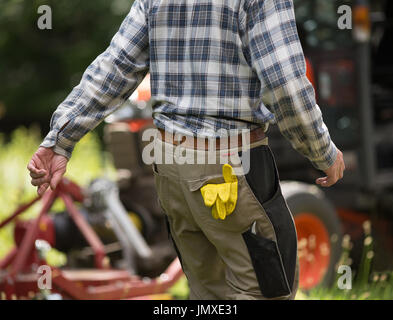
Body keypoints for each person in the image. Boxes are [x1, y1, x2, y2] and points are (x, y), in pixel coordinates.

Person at [28, 0, 345, 300]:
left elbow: (116, 66)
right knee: (268, 289)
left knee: (208, 295)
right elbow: (285, 85)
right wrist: (322, 152)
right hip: (231, 167)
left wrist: (60, 138)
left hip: (169, 167)